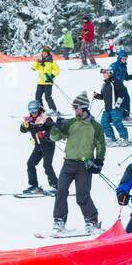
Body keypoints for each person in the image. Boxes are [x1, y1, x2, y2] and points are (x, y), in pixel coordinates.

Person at [49, 94, 106, 236]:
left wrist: (99, 161)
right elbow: (54, 137)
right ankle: (59, 221)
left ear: (83, 108)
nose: (74, 110)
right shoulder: (70, 123)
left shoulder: (95, 126)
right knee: (61, 191)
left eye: (76, 107)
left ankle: (92, 221)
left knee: (82, 194)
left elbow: (101, 145)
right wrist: (56, 127)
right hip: (68, 163)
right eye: (73, 107)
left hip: (84, 165)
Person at [19, 100, 58, 195]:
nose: (33, 113)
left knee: (47, 165)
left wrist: (45, 133)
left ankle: (56, 187)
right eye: (31, 111)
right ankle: (34, 185)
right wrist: (24, 126)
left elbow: (54, 128)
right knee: (30, 164)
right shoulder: (29, 119)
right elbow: (22, 130)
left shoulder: (45, 118)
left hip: (48, 146)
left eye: (35, 110)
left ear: (39, 109)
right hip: (38, 147)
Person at [95, 67, 131, 146]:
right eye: (103, 74)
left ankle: (124, 138)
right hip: (107, 108)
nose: (104, 75)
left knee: (117, 122)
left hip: (116, 108)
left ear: (110, 73)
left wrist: (118, 103)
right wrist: (97, 96)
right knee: (104, 122)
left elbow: (122, 92)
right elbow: (103, 96)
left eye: (105, 73)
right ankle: (110, 138)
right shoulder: (104, 85)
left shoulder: (116, 82)